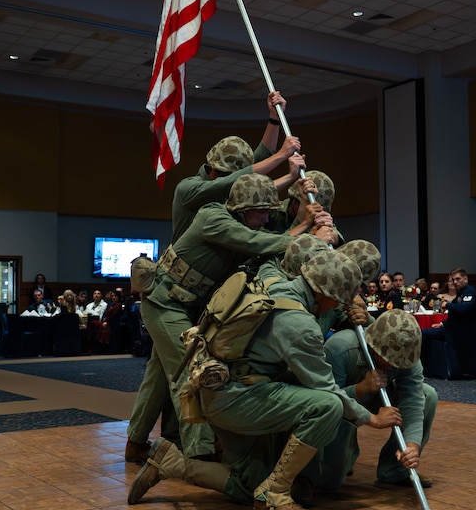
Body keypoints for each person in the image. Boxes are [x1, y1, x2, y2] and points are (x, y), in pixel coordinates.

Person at [127, 249, 398, 510]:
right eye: (337, 301)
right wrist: (372, 418)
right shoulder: (300, 325)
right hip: (237, 400)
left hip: (216, 391)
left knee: (248, 487)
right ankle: (276, 495)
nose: (337, 308)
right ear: (323, 293)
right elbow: (327, 387)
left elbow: (271, 263)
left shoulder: (273, 283)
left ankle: (170, 463)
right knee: (327, 406)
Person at [129, 173, 327, 462]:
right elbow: (259, 243)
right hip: (165, 302)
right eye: (261, 213)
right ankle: (200, 454)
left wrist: (302, 214)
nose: (266, 219)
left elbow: (261, 238)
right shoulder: (214, 218)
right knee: (192, 368)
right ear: (243, 209)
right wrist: (306, 225)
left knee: (160, 376)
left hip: (186, 305)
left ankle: (135, 442)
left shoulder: (237, 219)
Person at [323, 309, 437, 489]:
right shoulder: (340, 349)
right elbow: (326, 402)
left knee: (427, 394)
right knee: (329, 481)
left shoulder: (407, 354)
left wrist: (412, 446)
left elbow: (413, 401)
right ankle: (322, 469)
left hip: (375, 397)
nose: (393, 365)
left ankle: (394, 470)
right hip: (344, 404)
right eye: (388, 359)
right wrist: (361, 389)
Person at [171, 92, 304, 242]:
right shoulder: (188, 189)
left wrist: (274, 118)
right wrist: (282, 156)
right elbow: (232, 182)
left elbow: (263, 155)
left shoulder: (226, 182)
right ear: (214, 171)